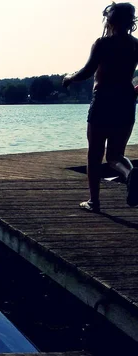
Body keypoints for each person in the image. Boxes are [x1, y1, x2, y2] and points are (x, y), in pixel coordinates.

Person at [63, 2, 138, 212]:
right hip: (126, 100)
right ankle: (129, 172)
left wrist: (69, 77)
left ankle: (94, 201)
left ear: (110, 20)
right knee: (115, 155)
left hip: (103, 100)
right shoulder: (135, 45)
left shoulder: (103, 43)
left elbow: (87, 71)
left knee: (95, 153)